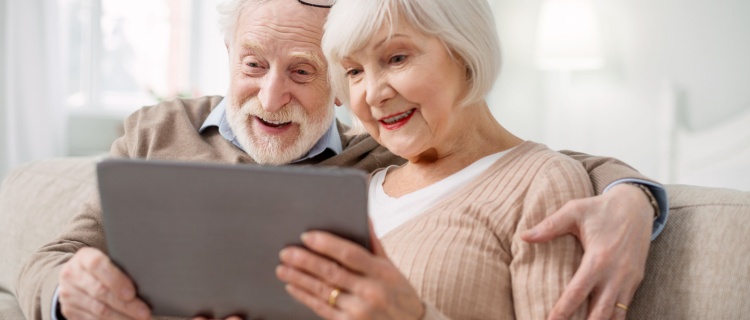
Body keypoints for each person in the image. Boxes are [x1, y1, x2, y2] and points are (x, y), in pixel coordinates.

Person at [15, 0, 666, 320]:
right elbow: (46, 257)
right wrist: (67, 295)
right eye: (253, 64)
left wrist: (633, 194)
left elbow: (508, 161)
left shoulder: (371, 156)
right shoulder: (159, 128)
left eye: (303, 71)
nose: (272, 96)